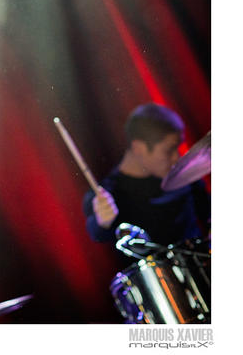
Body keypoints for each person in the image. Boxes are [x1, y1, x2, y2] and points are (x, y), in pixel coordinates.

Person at [82, 103, 210, 248]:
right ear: (139, 148)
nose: (177, 158)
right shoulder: (107, 193)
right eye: (169, 150)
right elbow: (96, 233)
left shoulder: (184, 173)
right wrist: (102, 222)